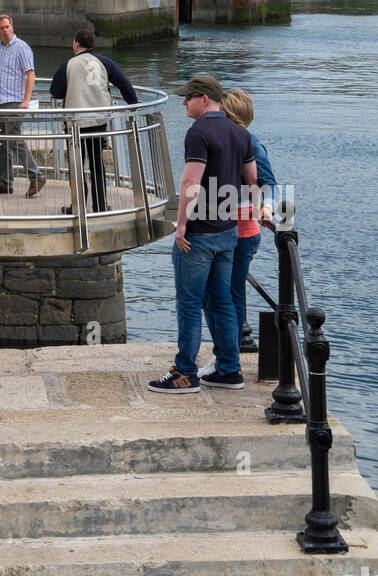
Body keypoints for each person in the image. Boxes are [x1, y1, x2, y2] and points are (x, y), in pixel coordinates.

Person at [148, 74, 257, 394]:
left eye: (188, 97)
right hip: (227, 232)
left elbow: (190, 185)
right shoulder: (240, 133)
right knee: (222, 301)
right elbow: (252, 181)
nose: (184, 102)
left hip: (198, 236)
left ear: (205, 99)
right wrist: (249, 214)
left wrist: (181, 226)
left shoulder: (199, 133)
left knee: (189, 303)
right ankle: (229, 369)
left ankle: (185, 373)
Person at [199, 88, 279, 377]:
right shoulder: (227, 139)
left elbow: (269, 182)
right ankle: (225, 355)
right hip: (223, 227)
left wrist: (267, 208)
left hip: (241, 231)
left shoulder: (250, 143)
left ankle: (226, 359)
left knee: (224, 295)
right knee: (219, 295)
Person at [50, 26, 138, 213]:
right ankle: (100, 205)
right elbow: (124, 84)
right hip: (99, 121)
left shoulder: (68, 64)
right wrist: (134, 103)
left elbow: (55, 91)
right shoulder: (105, 62)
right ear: (92, 45)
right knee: (97, 163)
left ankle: (78, 205)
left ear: (76, 44)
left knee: (77, 165)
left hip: (75, 123)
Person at [0, 14, 44, 197]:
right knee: (2, 143)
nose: (5, 30)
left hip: (15, 101)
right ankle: (5, 182)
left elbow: (30, 74)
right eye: (2, 28)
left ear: (12, 27)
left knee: (13, 139)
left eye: (7, 27)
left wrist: (26, 100)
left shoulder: (22, 48)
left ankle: (36, 176)